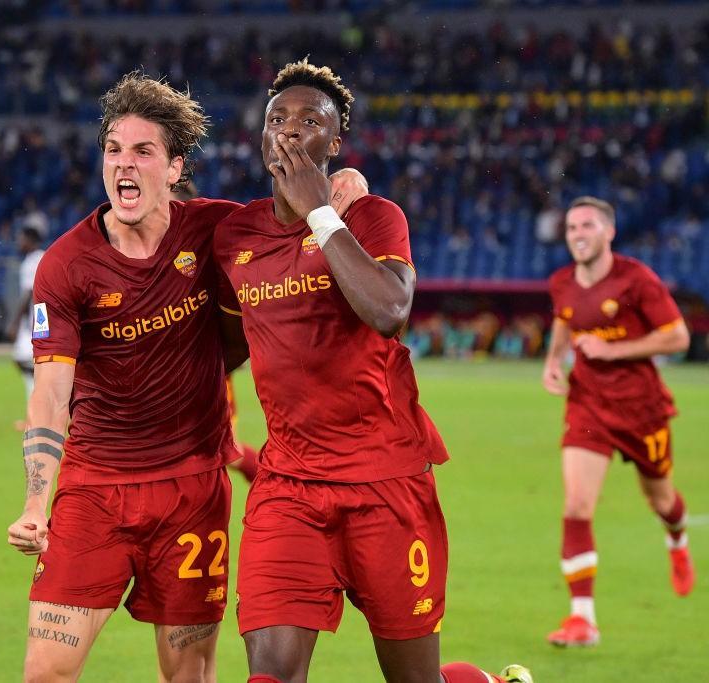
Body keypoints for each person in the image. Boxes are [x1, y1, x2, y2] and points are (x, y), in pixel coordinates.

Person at [4, 72, 368, 682]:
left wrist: (345, 186)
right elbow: (51, 390)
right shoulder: (67, 265)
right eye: (114, 150)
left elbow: (294, 215)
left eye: (144, 151)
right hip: (94, 491)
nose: (126, 164)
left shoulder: (215, 230)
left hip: (192, 492)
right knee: (46, 672)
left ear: (174, 167)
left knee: (190, 677)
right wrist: (37, 500)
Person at [213, 59, 531, 683]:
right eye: (277, 119)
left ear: (334, 144)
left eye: (310, 121)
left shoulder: (373, 218)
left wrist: (318, 214)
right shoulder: (235, 236)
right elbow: (224, 348)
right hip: (290, 488)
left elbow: (390, 311)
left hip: (386, 481)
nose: (289, 131)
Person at [542, 196, 694, 647]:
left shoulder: (636, 279)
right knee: (576, 506)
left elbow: (679, 337)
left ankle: (676, 538)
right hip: (588, 405)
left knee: (662, 499)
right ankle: (581, 619)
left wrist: (615, 350)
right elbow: (564, 320)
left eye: (587, 225)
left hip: (641, 408)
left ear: (609, 232)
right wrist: (552, 360)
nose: (578, 234)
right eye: (571, 228)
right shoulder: (562, 282)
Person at [6, 226, 45, 431]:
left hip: (35, 322)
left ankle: (37, 418)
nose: (18, 242)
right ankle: (36, 416)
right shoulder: (42, 257)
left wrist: (14, 321)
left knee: (26, 362)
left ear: (30, 239)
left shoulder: (32, 261)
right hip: (40, 321)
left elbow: (30, 293)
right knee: (32, 367)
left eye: (21, 238)